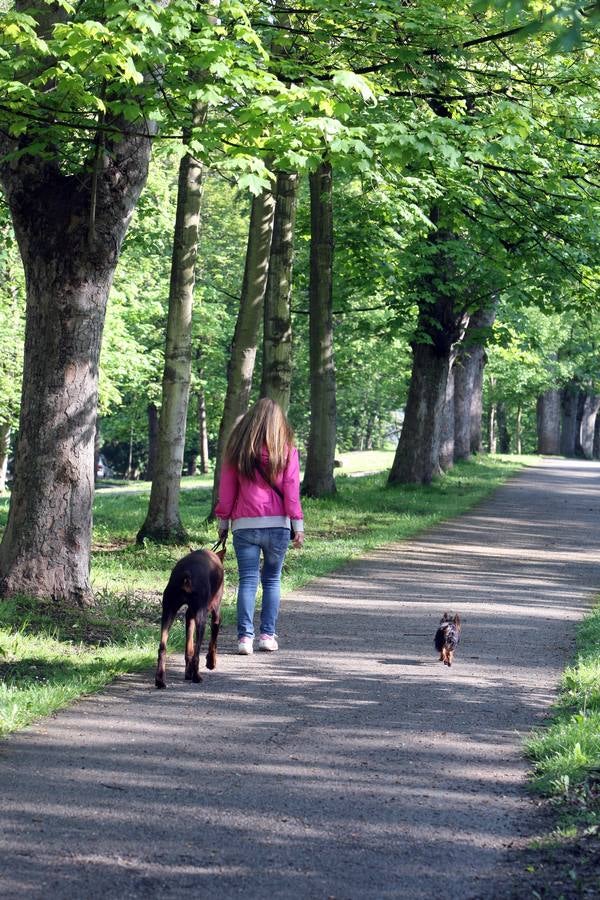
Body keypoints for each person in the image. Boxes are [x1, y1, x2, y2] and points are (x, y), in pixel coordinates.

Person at [215, 398, 305, 655]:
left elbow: (227, 489)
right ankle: (267, 635)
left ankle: (244, 639)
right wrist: (297, 524)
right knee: (272, 580)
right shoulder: (287, 451)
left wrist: (223, 521)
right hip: (278, 525)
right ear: (280, 423)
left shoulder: (238, 450)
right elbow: (291, 491)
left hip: (244, 526)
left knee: (247, 581)